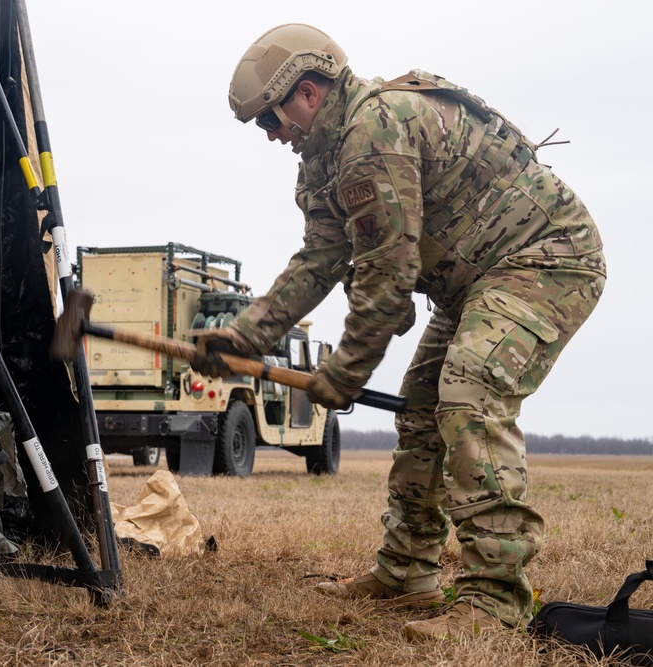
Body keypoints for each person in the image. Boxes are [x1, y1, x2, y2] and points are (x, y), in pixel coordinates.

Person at [193, 23, 606, 640]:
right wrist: (245, 337)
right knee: (419, 409)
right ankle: (407, 570)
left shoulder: (374, 131)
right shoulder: (321, 165)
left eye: (267, 120)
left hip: (545, 259)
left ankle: (495, 601)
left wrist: (345, 372)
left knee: (469, 392)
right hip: (472, 283)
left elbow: (389, 276)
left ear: (306, 92)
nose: (271, 135)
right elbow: (319, 261)